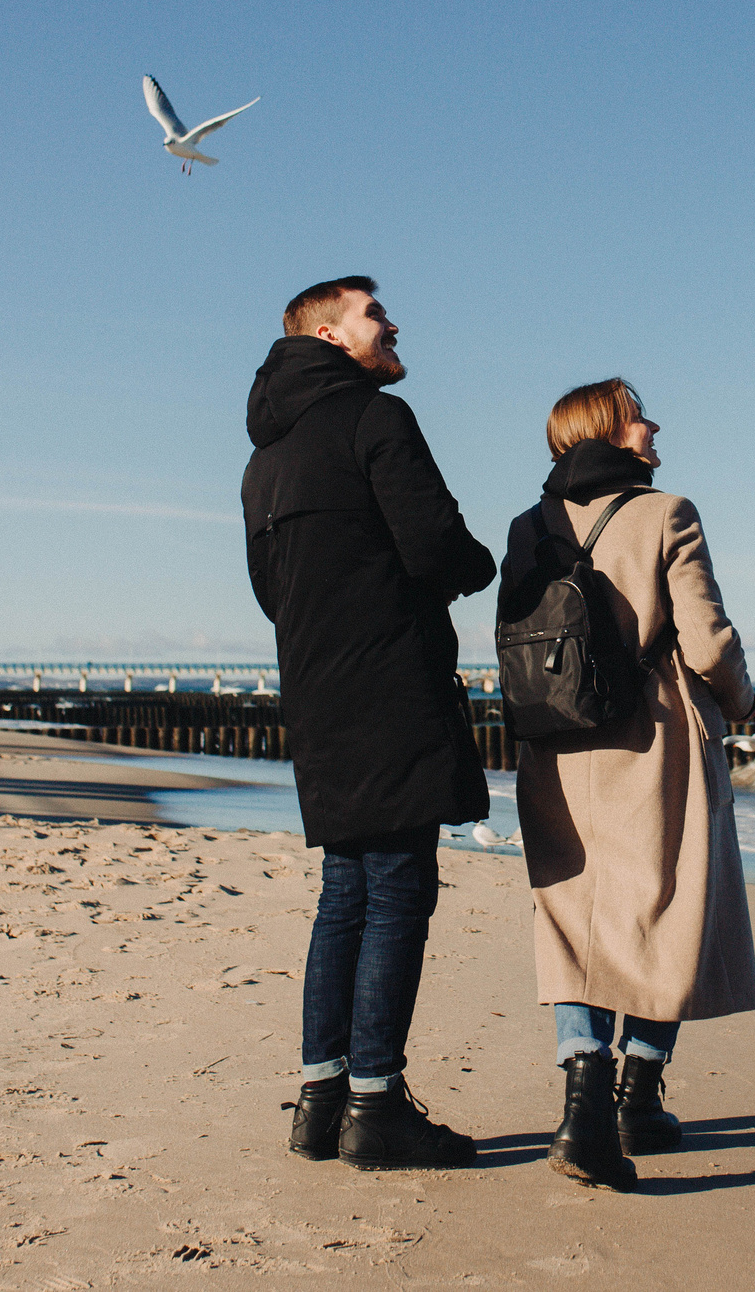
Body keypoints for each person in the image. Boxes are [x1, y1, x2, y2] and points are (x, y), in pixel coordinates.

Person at [241, 276, 497, 1172]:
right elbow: (435, 545)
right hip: (390, 685)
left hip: (316, 692)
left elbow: (268, 590)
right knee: (396, 888)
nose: (392, 324)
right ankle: (377, 1103)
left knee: (345, 890)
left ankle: (322, 1100)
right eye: (374, 314)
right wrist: (480, 564)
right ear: (328, 332)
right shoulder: (375, 420)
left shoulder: (263, 459)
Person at [500, 378, 755, 1191]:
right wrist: (742, 701)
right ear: (610, 430)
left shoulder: (529, 523)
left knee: (574, 912)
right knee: (665, 907)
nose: (655, 424)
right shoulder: (667, 510)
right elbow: (706, 638)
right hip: (651, 736)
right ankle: (636, 1095)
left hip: (553, 740)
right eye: (641, 412)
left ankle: (581, 1100)